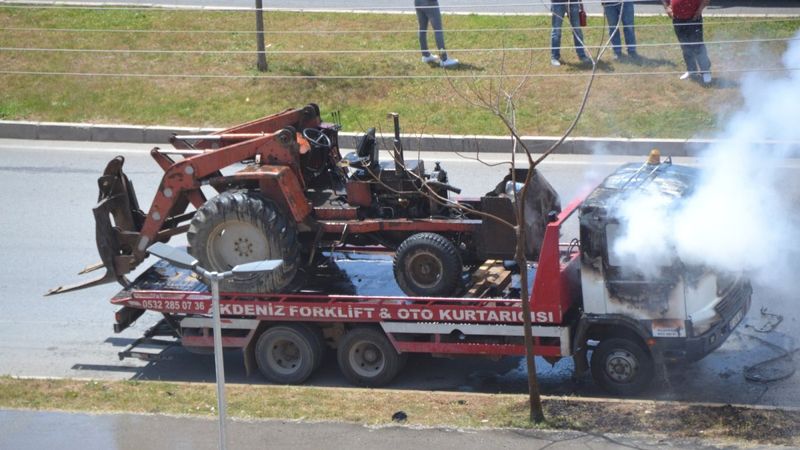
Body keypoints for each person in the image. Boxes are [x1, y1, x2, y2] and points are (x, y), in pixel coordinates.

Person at [663, 0, 712, 84]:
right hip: (677, 19)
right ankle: (691, 70)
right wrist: (667, 7)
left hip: (694, 18)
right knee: (685, 46)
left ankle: (705, 71)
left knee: (698, 46)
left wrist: (700, 10)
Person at [414, 0, 459, 68]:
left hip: (417, 1)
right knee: (438, 30)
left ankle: (425, 55)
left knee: (422, 28)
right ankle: (444, 59)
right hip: (429, 2)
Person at [550, 0, 589, 66]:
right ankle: (554, 57)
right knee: (556, 30)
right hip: (557, 2)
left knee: (577, 30)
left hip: (573, 2)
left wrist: (580, 3)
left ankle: (582, 55)